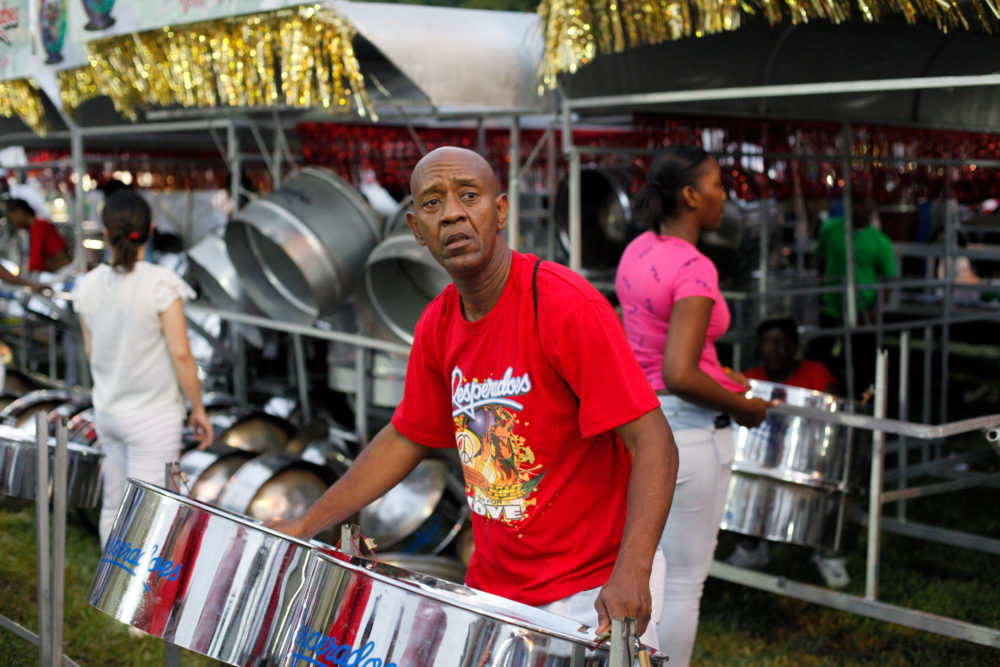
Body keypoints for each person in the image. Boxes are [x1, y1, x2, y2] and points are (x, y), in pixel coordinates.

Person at [271, 146, 678, 648]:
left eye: (469, 195)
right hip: (495, 591)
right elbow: (405, 436)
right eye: (433, 202)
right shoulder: (437, 325)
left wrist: (633, 571)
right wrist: (310, 521)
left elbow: (653, 439)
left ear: (500, 210)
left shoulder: (564, 305)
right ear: (416, 228)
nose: (453, 214)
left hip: (592, 587)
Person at [615, 144, 770, 666]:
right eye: (718, 185)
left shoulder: (637, 250)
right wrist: (743, 406)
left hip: (637, 426)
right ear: (689, 195)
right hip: (688, 436)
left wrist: (721, 372)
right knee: (681, 583)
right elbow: (679, 373)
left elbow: (654, 344)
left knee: (639, 569)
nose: (725, 195)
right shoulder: (696, 268)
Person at [72, 191, 213, 547]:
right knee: (149, 514)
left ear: (105, 233)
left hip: (108, 411)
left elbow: (92, 352)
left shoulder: (87, 285)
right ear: (150, 230)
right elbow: (182, 355)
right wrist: (197, 407)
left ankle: (112, 591)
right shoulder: (160, 283)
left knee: (114, 505)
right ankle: (138, 600)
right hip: (153, 418)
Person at [723, 317, 850, 589]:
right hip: (760, 456)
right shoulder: (751, 378)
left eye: (781, 342)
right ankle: (750, 546)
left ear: (794, 347)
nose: (775, 349)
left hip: (809, 457)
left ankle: (825, 552)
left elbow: (832, 404)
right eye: (768, 342)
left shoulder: (816, 372)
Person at [812, 196, 899, 397]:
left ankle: (863, 408)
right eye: (854, 203)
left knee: (863, 368)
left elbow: (888, 280)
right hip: (832, 311)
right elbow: (820, 262)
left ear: (871, 207)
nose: (858, 208)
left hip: (863, 315)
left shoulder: (880, 241)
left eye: (862, 203)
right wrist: (818, 296)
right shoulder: (829, 230)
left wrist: (875, 309)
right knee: (828, 365)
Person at [4, 198, 71, 274]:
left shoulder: (39, 226)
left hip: (60, 273)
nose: (12, 221)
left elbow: (35, 263)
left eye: (11, 217)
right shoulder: (32, 229)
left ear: (19, 211)